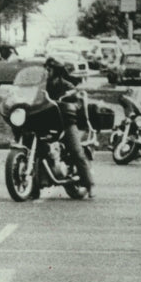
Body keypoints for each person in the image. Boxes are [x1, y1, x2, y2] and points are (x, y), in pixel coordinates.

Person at [43, 56, 94, 196]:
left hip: (65, 121)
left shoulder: (66, 85)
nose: (47, 71)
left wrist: (70, 98)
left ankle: (89, 185)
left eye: (49, 69)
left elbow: (76, 99)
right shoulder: (42, 85)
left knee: (76, 151)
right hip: (46, 120)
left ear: (57, 71)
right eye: (46, 68)